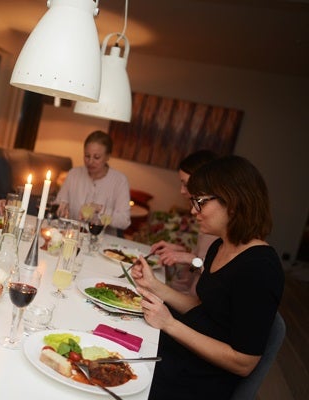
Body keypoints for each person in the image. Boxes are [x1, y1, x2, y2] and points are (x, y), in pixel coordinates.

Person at [131, 155, 284, 400]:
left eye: (200, 201)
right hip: (180, 356)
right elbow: (206, 309)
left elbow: (243, 362)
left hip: (199, 382)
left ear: (232, 201)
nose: (193, 210)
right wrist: (154, 286)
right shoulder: (219, 246)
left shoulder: (260, 268)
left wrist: (170, 324)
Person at [150, 150, 218, 293]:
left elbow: (211, 270)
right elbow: (196, 266)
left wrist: (190, 258)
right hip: (184, 295)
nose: (182, 191)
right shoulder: (206, 224)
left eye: (186, 184)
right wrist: (182, 252)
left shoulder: (214, 226)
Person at [55, 130, 131, 231]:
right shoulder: (74, 174)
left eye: (96, 157)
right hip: (72, 234)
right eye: (87, 156)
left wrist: (100, 209)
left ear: (108, 157)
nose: (90, 162)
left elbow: (124, 221)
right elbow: (59, 203)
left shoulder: (120, 181)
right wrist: (61, 209)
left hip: (103, 238)